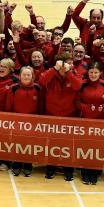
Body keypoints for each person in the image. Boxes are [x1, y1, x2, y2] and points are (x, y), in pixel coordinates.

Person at [39, 52, 83, 181]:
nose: (71, 65)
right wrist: (54, 69)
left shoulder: (74, 73)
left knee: (68, 146)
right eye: (69, 63)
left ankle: (68, 169)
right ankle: (51, 167)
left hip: (69, 117)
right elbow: (42, 81)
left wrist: (69, 72)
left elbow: (78, 86)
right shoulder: (52, 72)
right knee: (52, 144)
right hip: (52, 116)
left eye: (71, 63)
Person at [76, 62, 104, 185]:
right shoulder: (83, 85)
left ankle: (96, 170)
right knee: (86, 148)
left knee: (98, 148)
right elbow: (77, 102)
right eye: (91, 72)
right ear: (88, 73)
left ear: (100, 73)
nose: (93, 74)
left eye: (96, 72)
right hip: (85, 122)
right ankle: (85, 171)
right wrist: (86, 107)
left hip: (100, 123)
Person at [5, 66, 41, 177]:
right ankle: (16, 164)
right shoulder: (13, 88)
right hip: (17, 123)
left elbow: (41, 106)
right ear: (20, 76)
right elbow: (8, 106)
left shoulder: (38, 89)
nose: (26, 77)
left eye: (28, 75)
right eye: (24, 75)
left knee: (29, 145)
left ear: (32, 77)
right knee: (17, 144)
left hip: (32, 124)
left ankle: (28, 165)